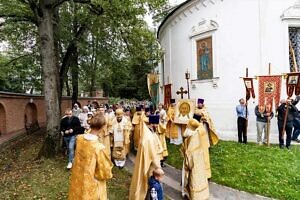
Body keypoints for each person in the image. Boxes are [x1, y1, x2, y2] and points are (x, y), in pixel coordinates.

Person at [68, 114, 113, 200]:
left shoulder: (79, 139)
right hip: (91, 182)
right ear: (102, 127)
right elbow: (105, 172)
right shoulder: (99, 148)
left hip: (78, 177)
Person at [129, 115, 163, 200]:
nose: (157, 126)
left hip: (150, 161)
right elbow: (152, 153)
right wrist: (158, 166)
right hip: (150, 163)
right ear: (152, 124)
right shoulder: (148, 137)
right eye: (156, 124)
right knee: (150, 182)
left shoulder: (150, 133)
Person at [181, 118, 209, 200]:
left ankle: (193, 196)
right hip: (200, 161)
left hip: (192, 163)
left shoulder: (191, 138)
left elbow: (190, 154)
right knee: (200, 179)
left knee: (193, 180)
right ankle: (202, 195)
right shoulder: (197, 134)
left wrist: (186, 164)